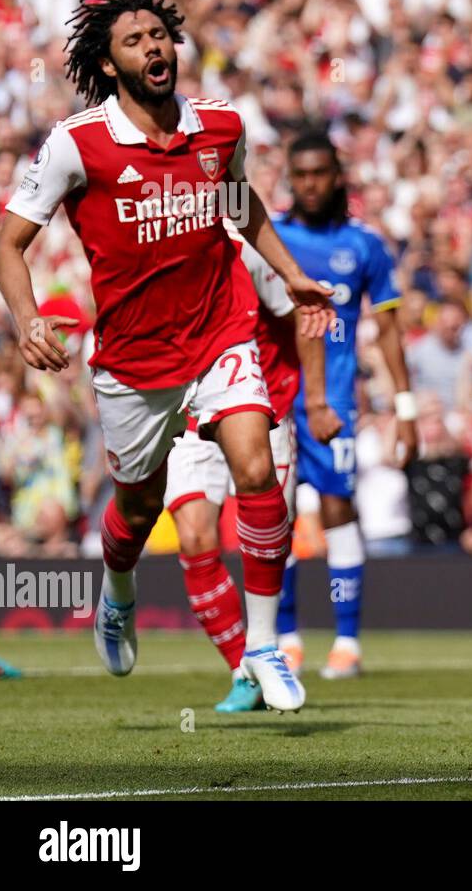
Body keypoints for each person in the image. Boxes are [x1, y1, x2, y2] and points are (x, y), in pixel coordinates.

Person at [0, 0, 333, 711]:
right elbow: (9, 243)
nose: (154, 47)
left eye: (159, 35)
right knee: (138, 509)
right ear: (109, 64)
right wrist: (25, 318)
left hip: (218, 332)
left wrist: (292, 275)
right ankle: (117, 586)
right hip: (134, 361)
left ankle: (264, 646)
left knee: (253, 464)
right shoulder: (77, 143)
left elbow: (240, 203)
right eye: (135, 40)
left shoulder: (220, 125)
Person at [164, 226, 342, 712]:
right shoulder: (145, 245)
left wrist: (318, 400)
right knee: (195, 536)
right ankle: (243, 671)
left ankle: (269, 643)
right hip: (185, 413)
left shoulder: (242, 250)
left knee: (268, 542)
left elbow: (302, 317)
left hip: (259, 409)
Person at [271, 131, 417, 680]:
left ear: (338, 176)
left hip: (335, 402)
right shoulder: (272, 237)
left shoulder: (365, 245)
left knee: (337, 509)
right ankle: (285, 640)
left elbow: (388, 330)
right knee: (275, 515)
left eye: (319, 173)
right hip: (275, 397)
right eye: (300, 174)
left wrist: (404, 409)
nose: (309, 184)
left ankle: (347, 642)